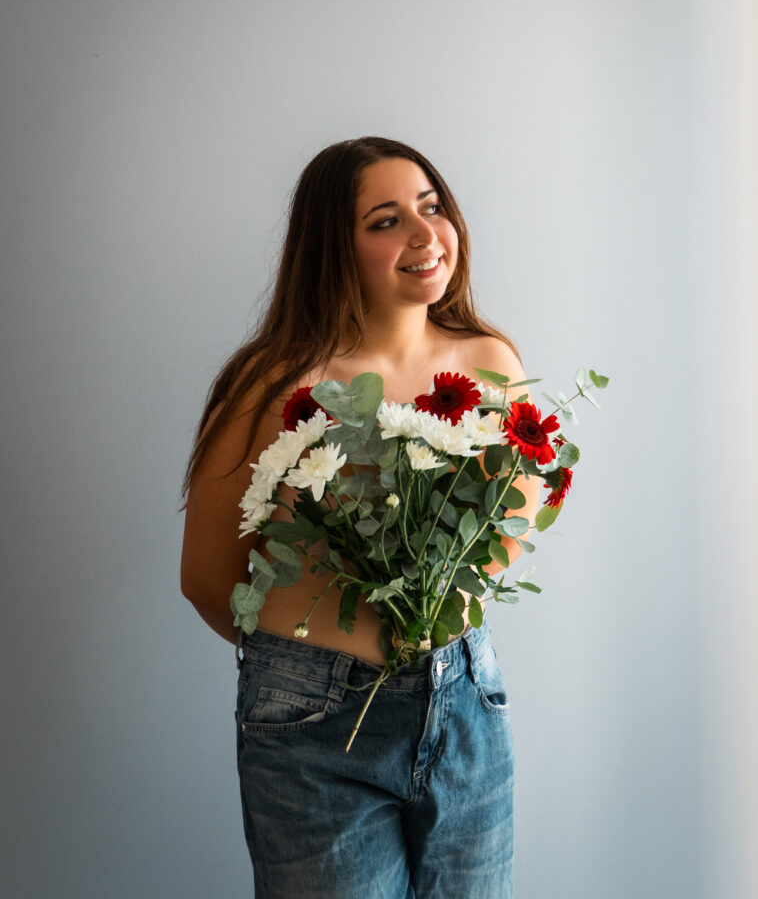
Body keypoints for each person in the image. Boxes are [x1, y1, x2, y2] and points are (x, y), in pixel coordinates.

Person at [180, 136, 542, 898]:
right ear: (332, 248)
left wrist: (432, 601)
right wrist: (306, 669)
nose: (424, 234)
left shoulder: (491, 362)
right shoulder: (272, 384)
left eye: (432, 207)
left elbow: (508, 528)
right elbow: (209, 576)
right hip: (313, 727)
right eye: (385, 220)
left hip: (465, 701)